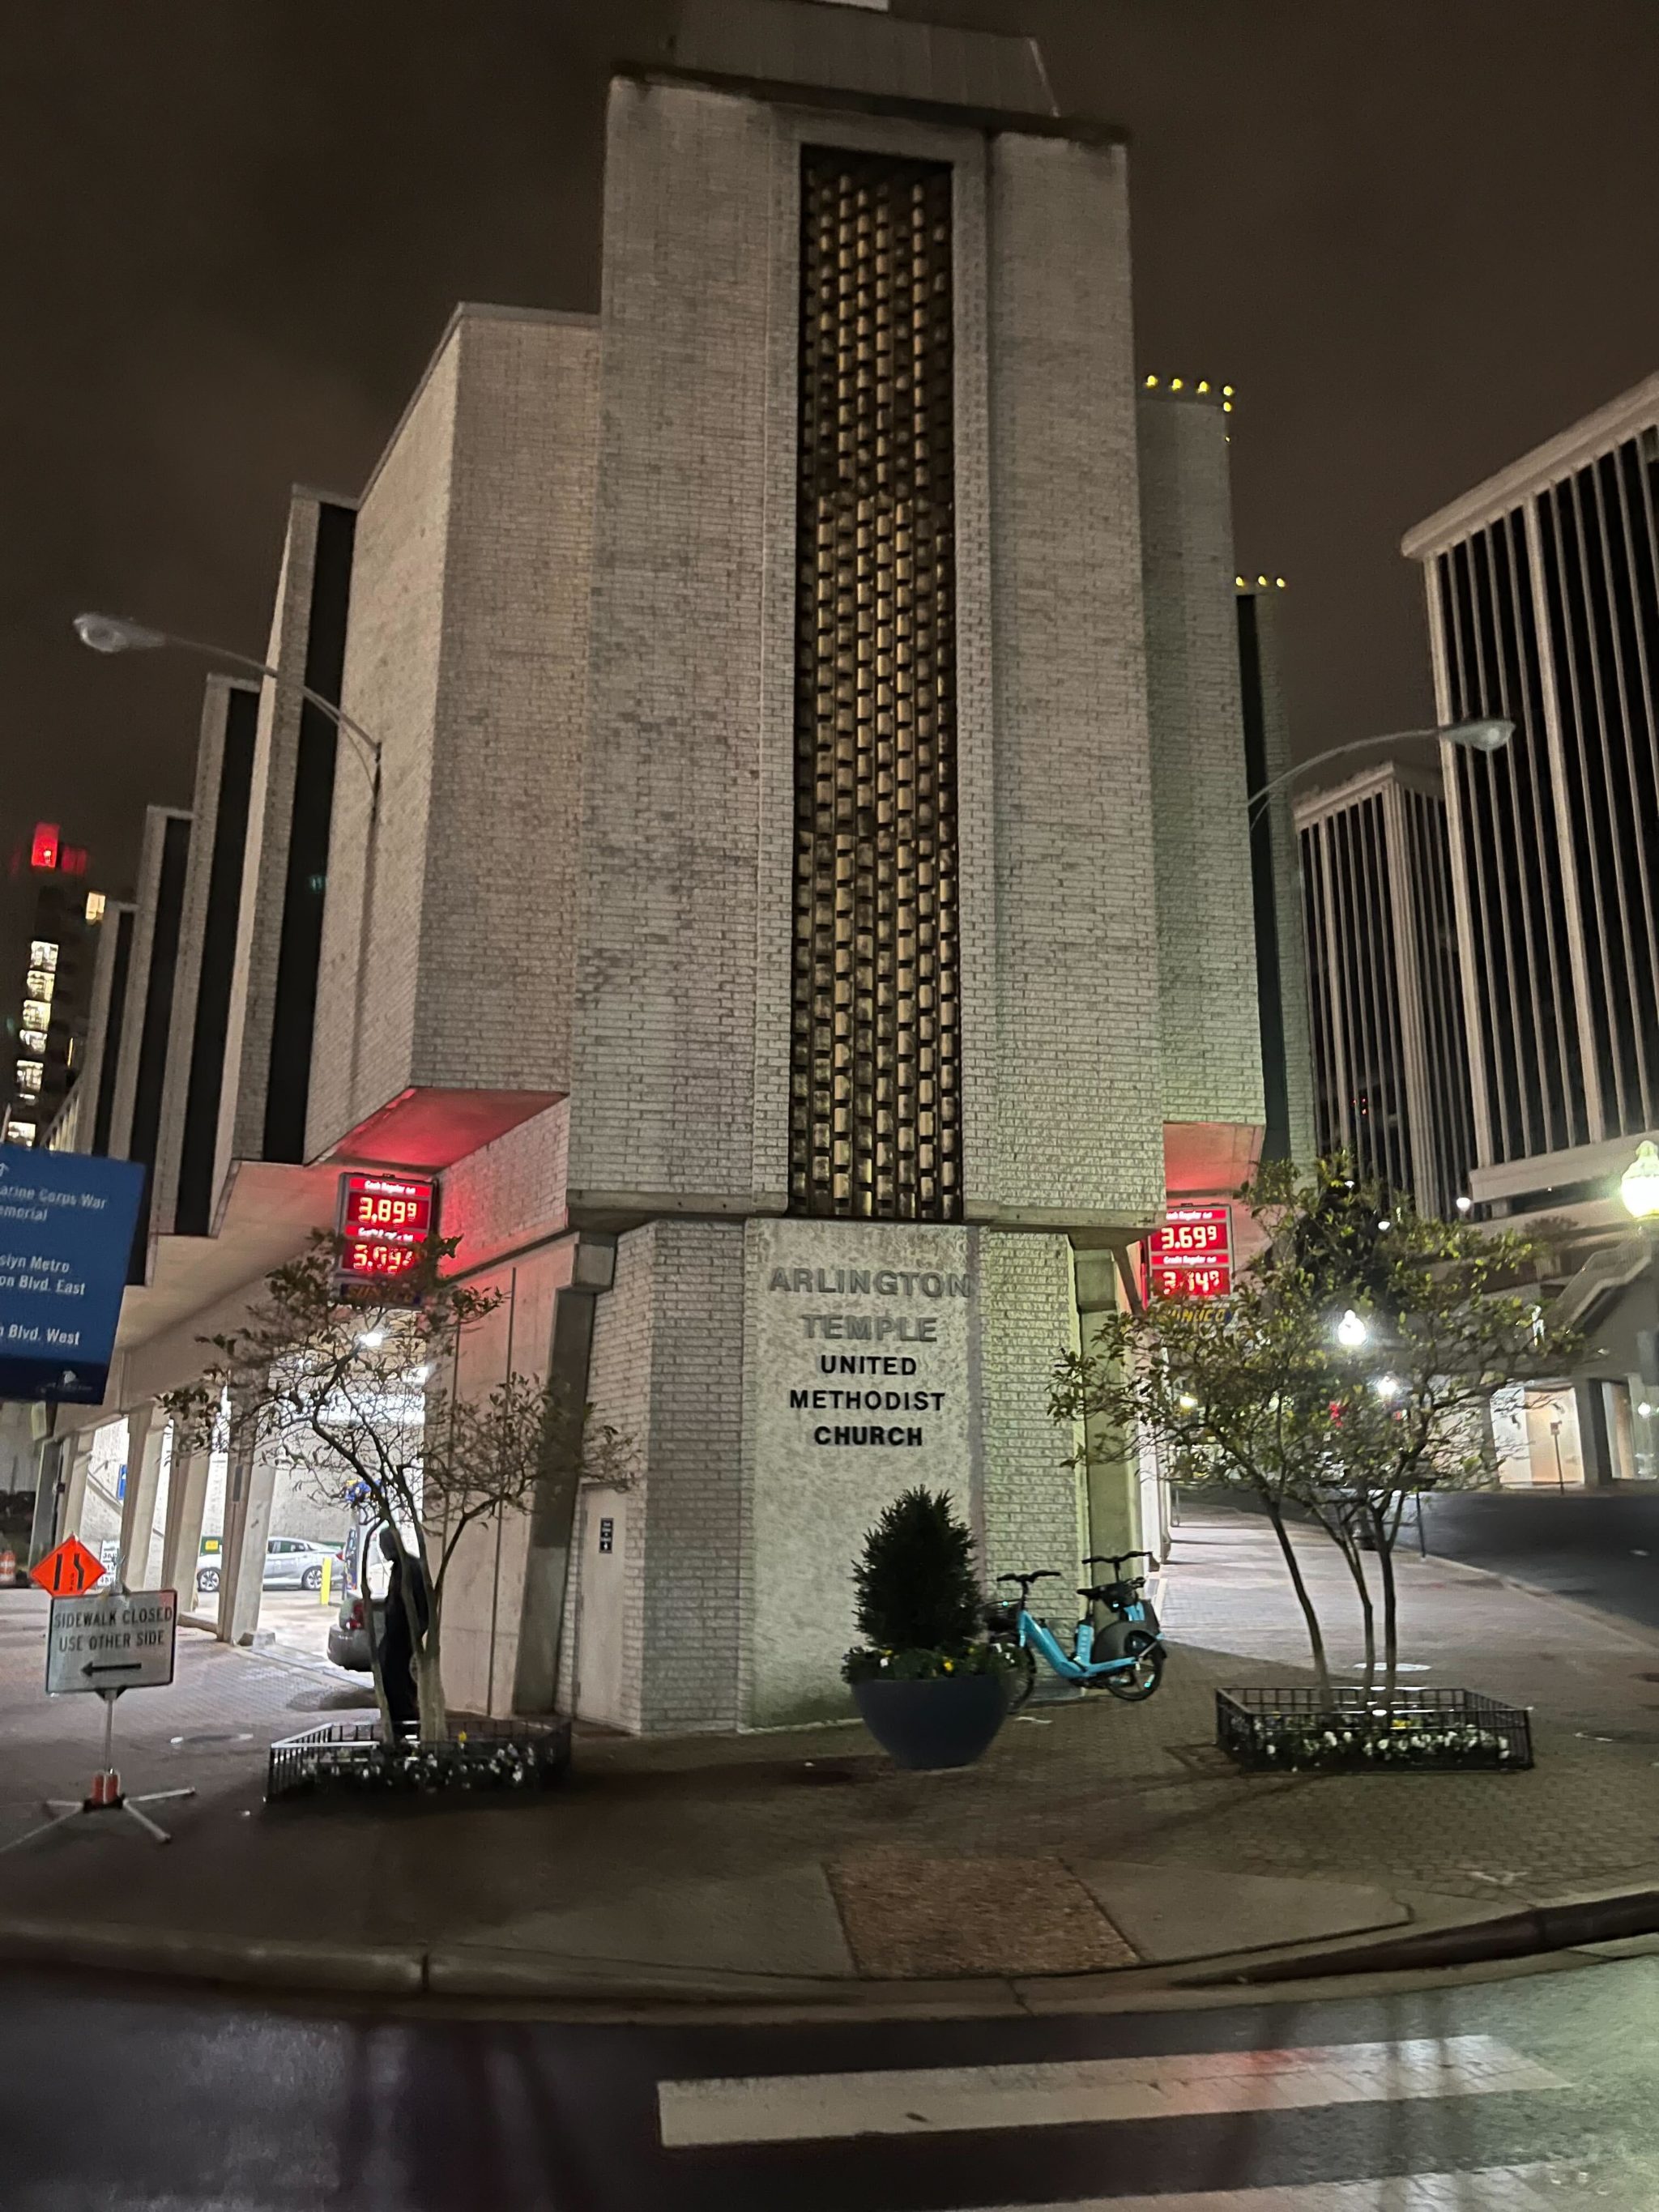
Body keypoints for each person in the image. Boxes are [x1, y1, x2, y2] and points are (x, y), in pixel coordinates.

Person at [376, 1526, 429, 1741]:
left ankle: (405, 1724)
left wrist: (414, 1634)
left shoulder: (411, 1568)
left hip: (403, 1638)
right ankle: (396, 1724)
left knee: (400, 1683)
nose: (383, 1551)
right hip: (394, 1637)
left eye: (385, 1546)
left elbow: (422, 1606)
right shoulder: (400, 1568)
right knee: (388, 1675)